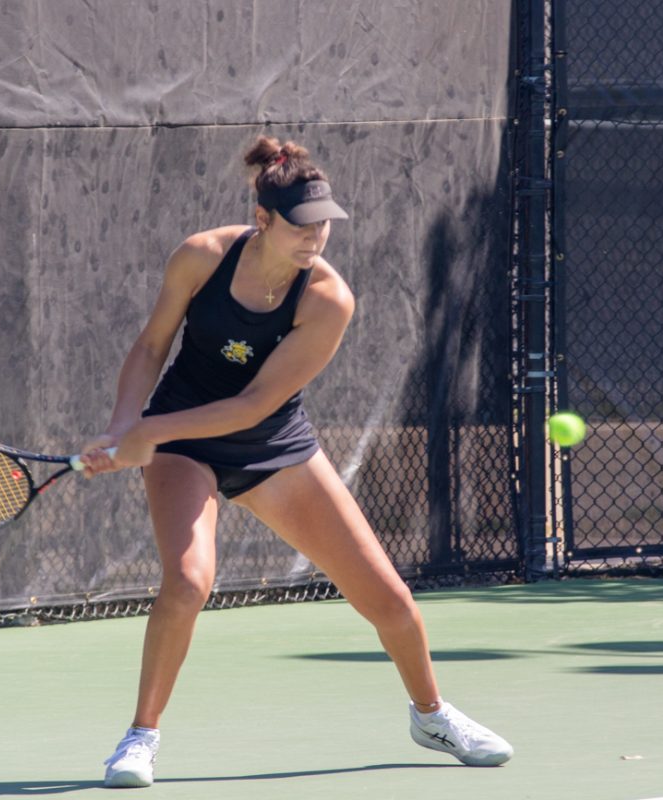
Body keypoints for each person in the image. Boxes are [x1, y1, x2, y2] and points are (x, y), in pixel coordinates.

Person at [79, 135, 513, 788]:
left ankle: (431, 714)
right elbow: (151, 346)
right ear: (263, 221)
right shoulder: (201, 258)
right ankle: (141, 735)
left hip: (271, 444)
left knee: (390, 600)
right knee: (190, 581)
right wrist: (123, 428)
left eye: (325, 226)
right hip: (184, 444)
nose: (317, 239)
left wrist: (148, 430)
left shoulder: (328, 300)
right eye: (302, 227)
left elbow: (254, 405)